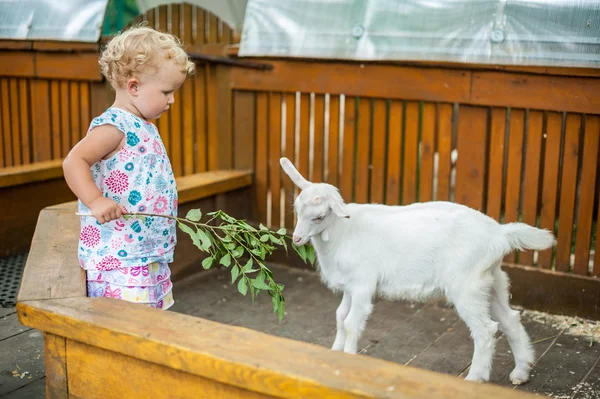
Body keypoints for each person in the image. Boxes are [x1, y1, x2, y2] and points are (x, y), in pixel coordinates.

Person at [62, 24, 195, 310]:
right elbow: (74, 161)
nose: (172, 100)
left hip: (144, 251)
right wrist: (95, 200)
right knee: (126, 325)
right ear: (133, 86)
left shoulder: (143, 125)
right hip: (119, 259)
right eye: (167, 92)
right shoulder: (114, 126)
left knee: (150, 322)